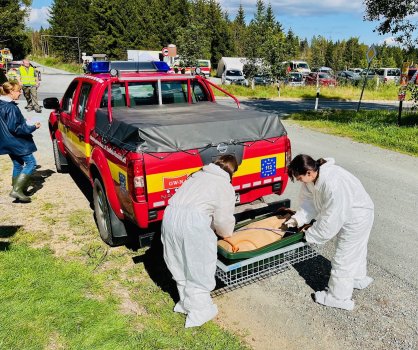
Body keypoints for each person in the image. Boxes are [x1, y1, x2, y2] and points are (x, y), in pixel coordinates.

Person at [285, 154, 374, 311]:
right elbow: (308, 203)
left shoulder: (333, 183)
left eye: (299, 178)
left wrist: (311, 234)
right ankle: (358, 278)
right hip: (350, 213)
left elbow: (331, 219)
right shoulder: (312, 179)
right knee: (356, 250)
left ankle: (338, 297)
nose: (298, 181)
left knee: (344, 257)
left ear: (308, 173)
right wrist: (297, 220)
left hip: (357, 216)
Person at [161, 154, 238, 328]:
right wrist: (227, 234)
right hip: (193, 222)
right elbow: (223, 219)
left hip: (170, 216)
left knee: (179, 263)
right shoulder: (223, 185)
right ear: (232, 171)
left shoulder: (197, 175)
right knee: (199, 265)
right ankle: (200, 312)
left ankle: (185, 304)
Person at [0, 81, 41, 203]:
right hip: (16, 141)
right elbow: (15, 128)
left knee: (18, 164)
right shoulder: (11, 107)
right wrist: (33, 126)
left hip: (6, 141)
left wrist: (23, 121)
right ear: (11, 92)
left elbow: (9, 123)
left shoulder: (2, 104)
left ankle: (19, 189)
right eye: (19, 91)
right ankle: (17, 190)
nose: (21, 93)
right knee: (31, 163)